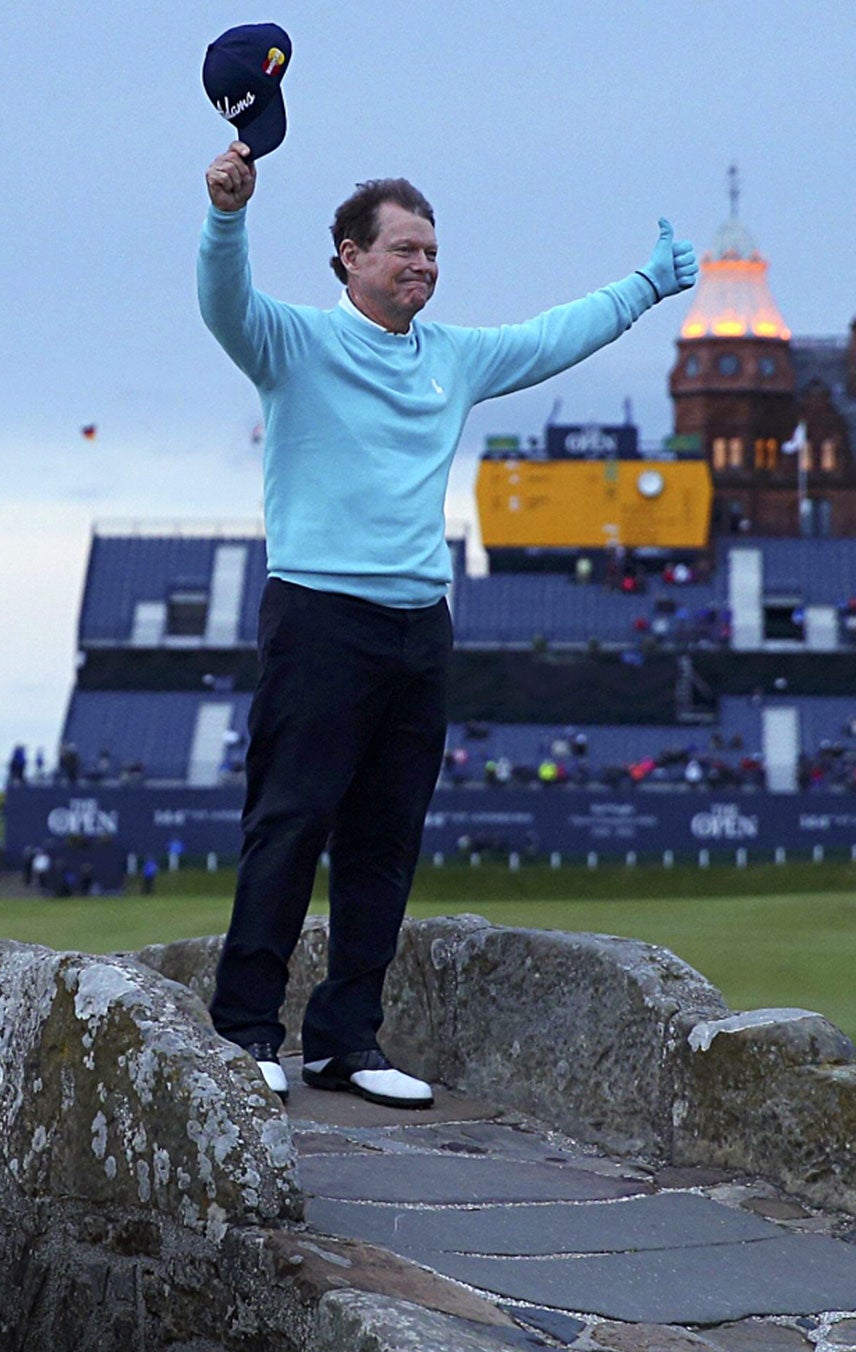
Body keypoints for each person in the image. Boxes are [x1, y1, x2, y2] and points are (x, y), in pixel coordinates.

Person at [199, 139, 696, 1106]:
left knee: (386, 838)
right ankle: (246, 1030)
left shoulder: (452, 359)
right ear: (349, 255)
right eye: (404, 250)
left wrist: (644, 286)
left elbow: (554, 335)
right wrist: (226, 215)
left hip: (418, 626)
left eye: (432, 251)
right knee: (290, 823)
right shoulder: (294, 343)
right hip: (319, 617)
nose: (423, 264)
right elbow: (225, 304)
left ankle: (347, 1042)